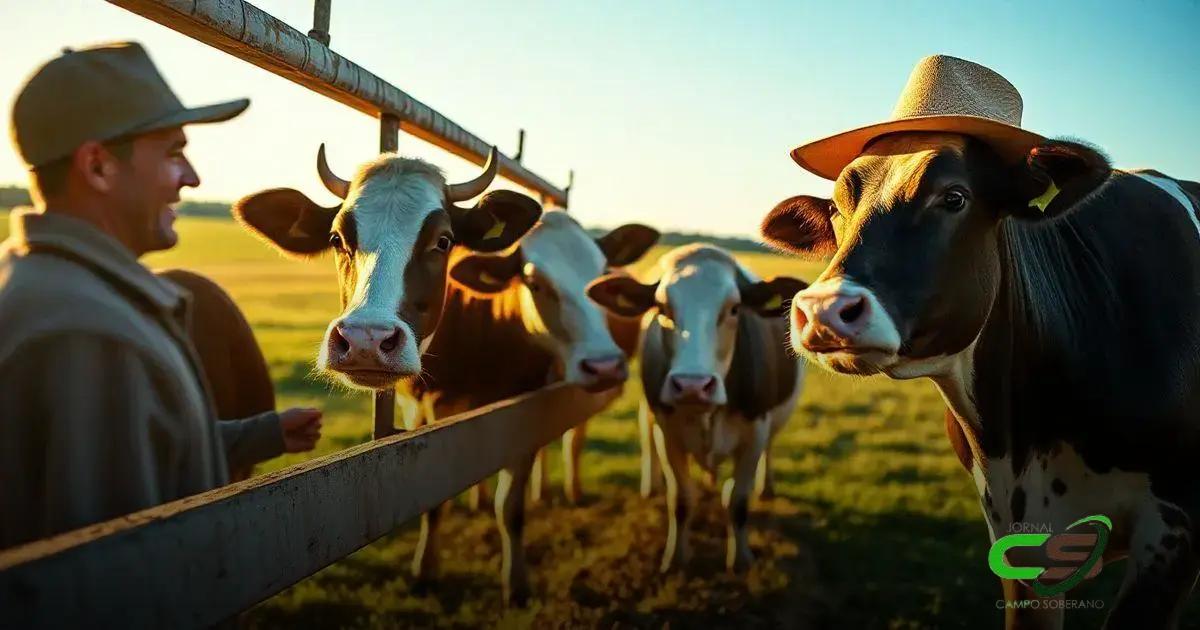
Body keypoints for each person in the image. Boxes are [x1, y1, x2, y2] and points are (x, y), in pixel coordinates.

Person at [0, 41, 323, 549]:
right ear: (98, 166)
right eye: (173, 153)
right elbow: (107, 569)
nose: (191, 178)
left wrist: (256, 436)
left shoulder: (42, 281)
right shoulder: (90, 333)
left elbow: (115, 453)